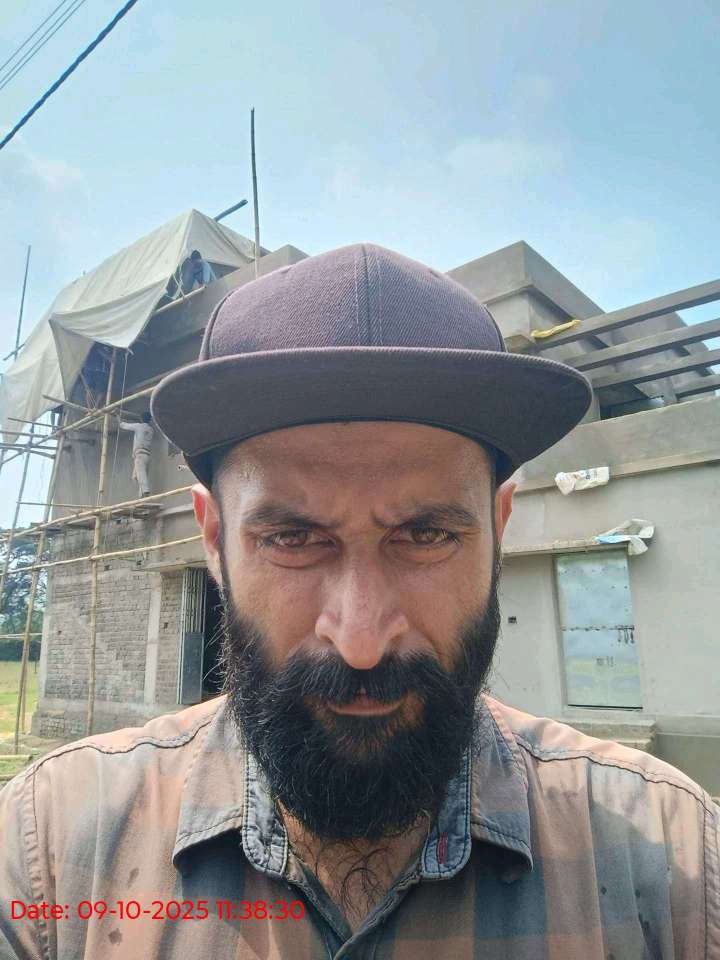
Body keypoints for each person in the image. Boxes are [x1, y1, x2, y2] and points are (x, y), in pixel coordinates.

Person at [0, 245, 717, 959]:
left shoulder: (674, 863)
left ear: (499, 531)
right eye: (293, 539)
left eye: (426, 535)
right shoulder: (49, 851)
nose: (361, 639)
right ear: (213, 539)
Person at [117, 411, 154, 497]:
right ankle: (141, 495)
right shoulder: (151, 430)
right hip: (147, 455)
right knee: (135, 477)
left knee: (141, 475)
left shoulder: (139, 426)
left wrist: (117, 417)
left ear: (141, 419)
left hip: (140, 455)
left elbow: (123, 425)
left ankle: (145, 492)